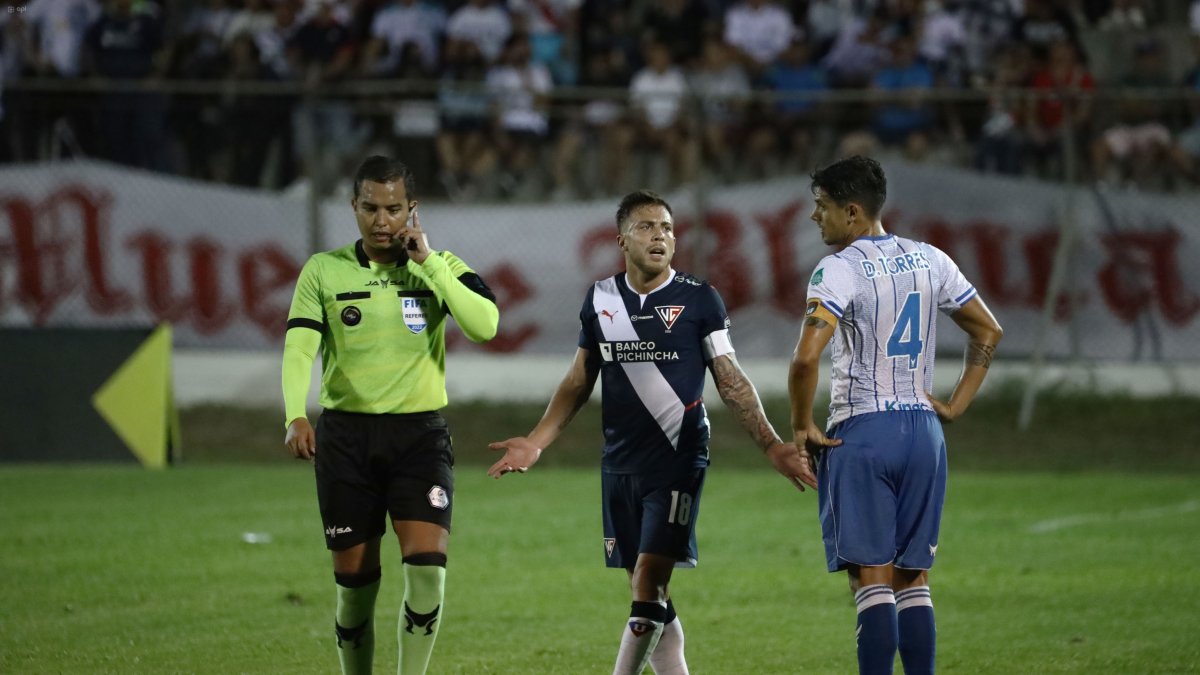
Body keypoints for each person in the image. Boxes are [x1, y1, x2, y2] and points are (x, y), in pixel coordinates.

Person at [488, 189, 816, 675]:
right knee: (650, 593)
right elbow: (579, 379)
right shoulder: (600, 299)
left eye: (667, 227)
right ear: (621, 239)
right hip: (620, 463)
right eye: (646, 227)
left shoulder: (698, 298)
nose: (660, 235)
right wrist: (536, 441)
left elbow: (730, 378)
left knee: (647, 585)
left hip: (679, 459)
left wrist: (770, 443)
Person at [282, 155, 500, 675]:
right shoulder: (324, 270)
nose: (382, 221)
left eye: (394, 208)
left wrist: (429, 265)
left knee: (428, 574)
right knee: (355, 590)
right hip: (346, 441)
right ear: (354, 207)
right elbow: (299, 349)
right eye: (371, 208)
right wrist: (295, 414)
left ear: (412, 209)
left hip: (418, 437)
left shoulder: (442, 265)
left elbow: (485, 325)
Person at [788, 156, 1003, 675]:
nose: (816, 218)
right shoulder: (930, 258)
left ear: (853, 212)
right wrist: (954, 405)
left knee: (871, 578)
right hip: (924, 435)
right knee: (914, 578)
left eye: (822, 207)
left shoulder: (838, 269)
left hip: (864, 431)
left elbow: (805, 358)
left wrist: (801, 426)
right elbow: (988, 331)